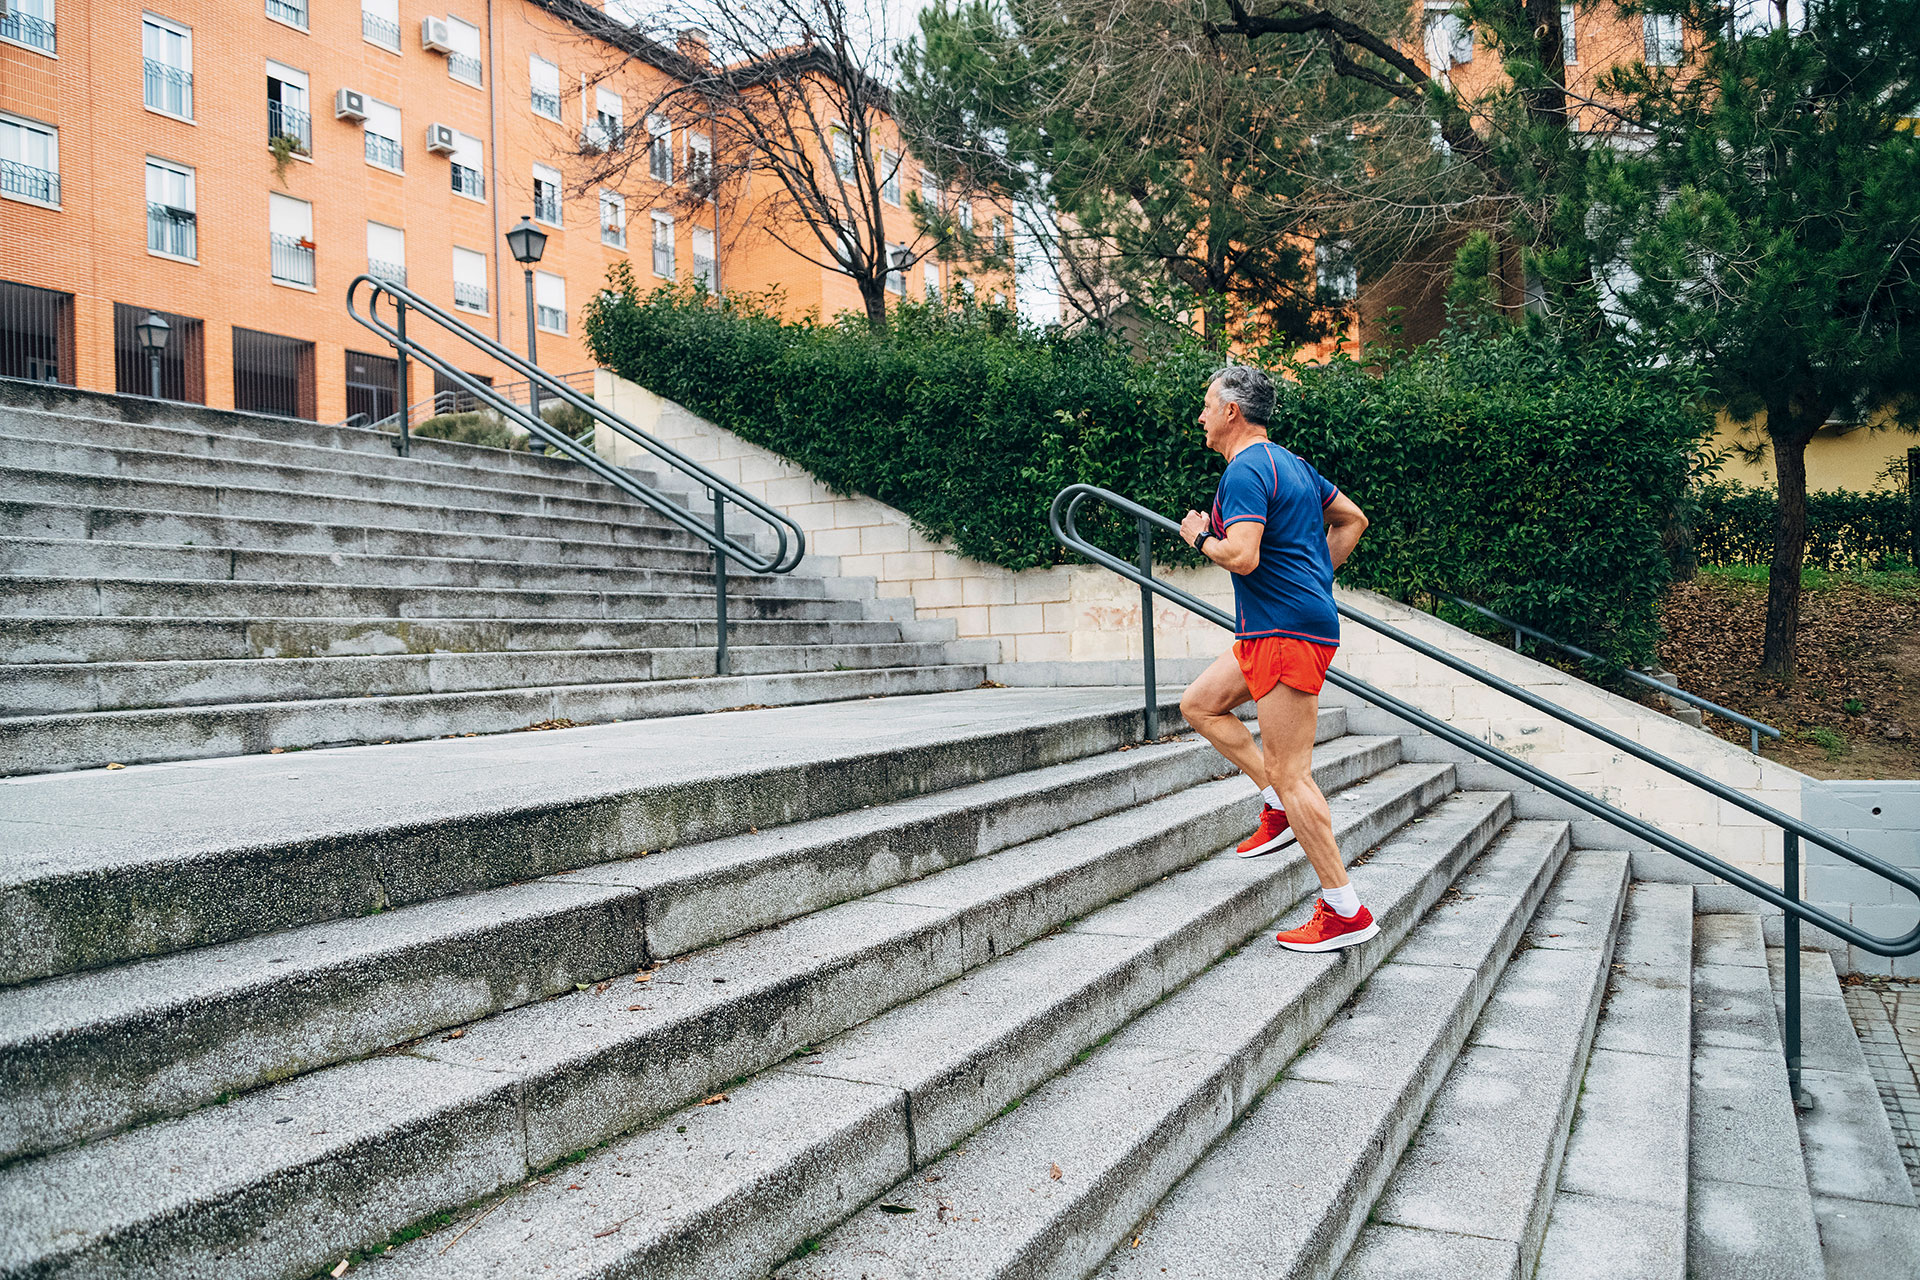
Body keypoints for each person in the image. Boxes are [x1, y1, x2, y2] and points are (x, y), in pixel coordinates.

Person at [1176, 365, 1377, 952]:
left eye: (1207, 405)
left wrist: (1195, 534)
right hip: (1271, 629)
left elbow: (1240, 555)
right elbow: (1353, 519)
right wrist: (1316, 575)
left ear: (1233, 411)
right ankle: (1277, 804)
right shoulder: (1291, 463)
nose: (1202, 416)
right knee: (1201, 705)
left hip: (1285, 630)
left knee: (1295, 774)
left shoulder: (1242, 472)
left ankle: (1346, 911)